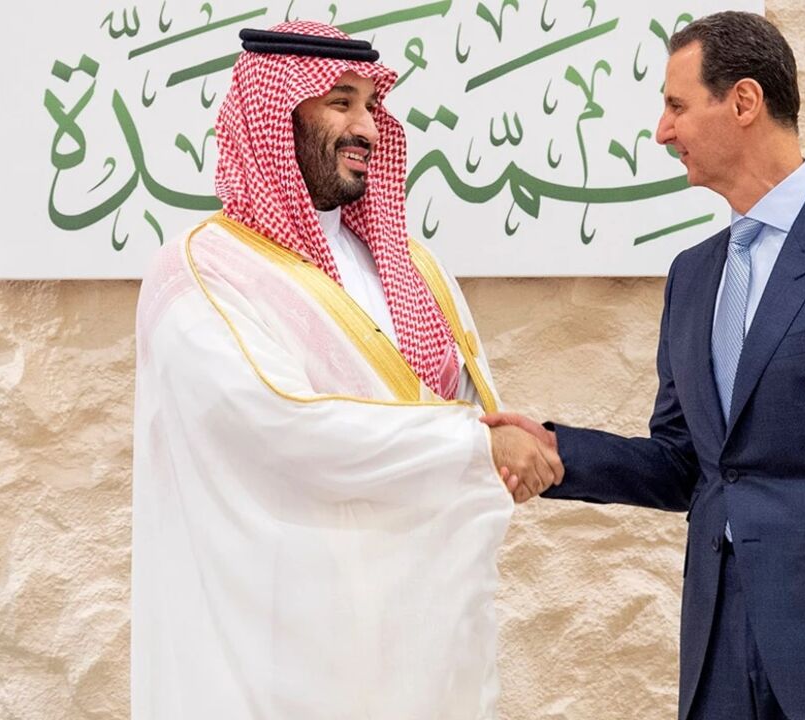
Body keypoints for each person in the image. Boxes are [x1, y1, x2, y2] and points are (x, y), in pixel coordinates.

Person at [485, 11, 805, 720]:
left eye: (676, 106)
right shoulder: (693, 276)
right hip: (716, 640)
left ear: (743, 102)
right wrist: (561, 452)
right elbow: (688, 462)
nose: (662, 131)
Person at [131, 21, 560, 720]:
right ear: (274, 117)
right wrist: (473, 448)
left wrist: (501, 445)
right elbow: (275, 425)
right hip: (274, 646)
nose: (367, 126)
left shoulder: (415, 268)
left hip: (414, 642)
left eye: (371, 104)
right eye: (340, 102)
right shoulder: (201, 273)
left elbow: (464, 405)